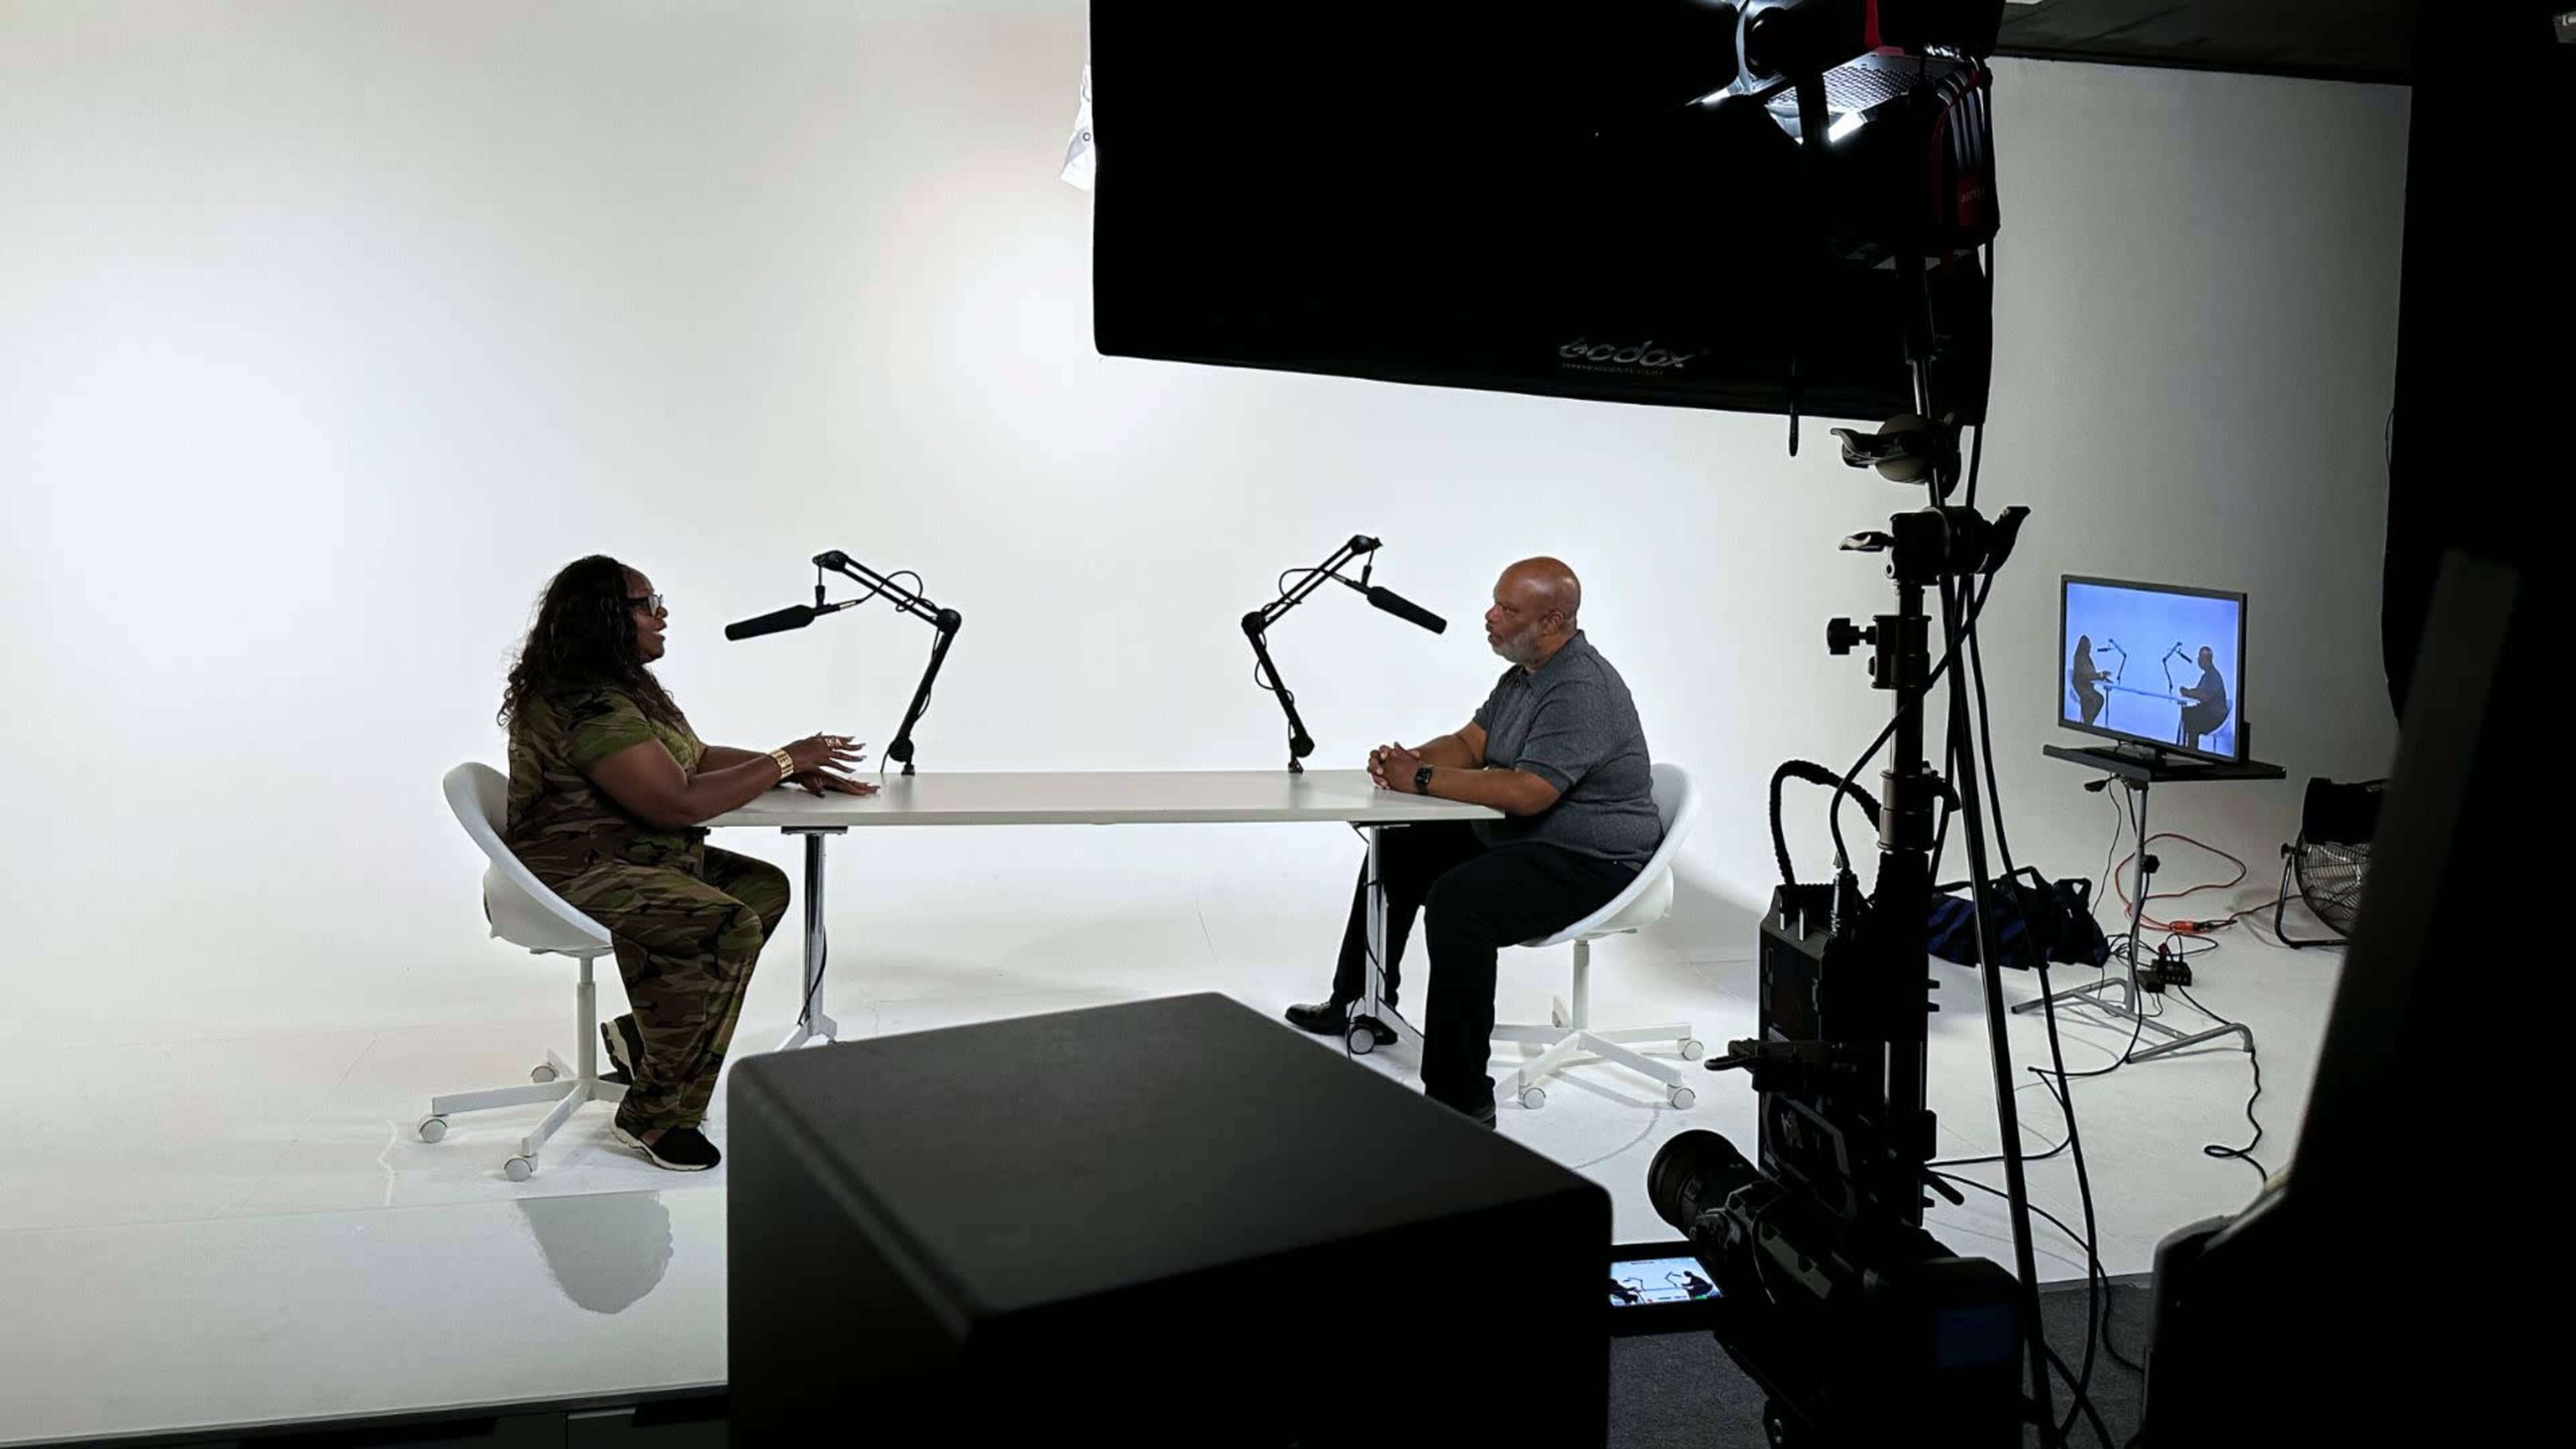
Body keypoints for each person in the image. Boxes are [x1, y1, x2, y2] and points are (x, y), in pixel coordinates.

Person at [498, 555, 870, 1171]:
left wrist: (796, 766)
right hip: (574, 872)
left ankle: (645, 1039)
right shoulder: (588, 707)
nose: (661, 614)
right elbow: (676, 803)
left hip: (630, 854)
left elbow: (692, 760)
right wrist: (782, 760)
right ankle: (655, 1115)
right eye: (647, 604)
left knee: (760, 889)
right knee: (727, 924)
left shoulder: (622, 688)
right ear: (607, 620)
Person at [1283, 557, 1662, 1124]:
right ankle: (1357, 1003)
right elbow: (1470, 743)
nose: (1490, 617)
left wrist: (1425, 781)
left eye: (1508, 610)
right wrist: (1408, 761)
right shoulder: (1523, 677)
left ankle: (1460, 1100)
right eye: (1495, 602)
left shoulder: (1580, 688)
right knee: (1401, 848)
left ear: (1553, 621)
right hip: (1532, 837)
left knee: (1461, 904)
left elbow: (1530, 791)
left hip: (1594, 859)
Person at [2180, 643, 2231, 746]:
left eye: (2200, 658)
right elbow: (2199, 691)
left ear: (2207, 659)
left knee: (2191, 720)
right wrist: (2188, 691)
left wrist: (2188, 693)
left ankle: (2191, 752)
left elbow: (2204, 697)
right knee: (2186, 713)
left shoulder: (2214, 676)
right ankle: (2183, 747)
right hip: (2209, 713)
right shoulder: (2207, 676)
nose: (2198, 660)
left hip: (2216, 718)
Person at [2070, 635, 2108, 726]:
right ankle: (2087, 724)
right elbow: (2086, 675)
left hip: (2087, 686)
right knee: (2091, 700)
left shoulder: (2086, 657)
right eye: (2088, 645)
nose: (2090, 646)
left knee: (2100, 699)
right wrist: (2100, 675)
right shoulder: (2080, 657)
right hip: (2080, 687)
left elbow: (2090, 673)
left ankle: (2089, 723)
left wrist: (2101, 676)